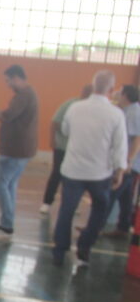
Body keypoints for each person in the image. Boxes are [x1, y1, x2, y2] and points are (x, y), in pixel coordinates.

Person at [52, 70, 127, 267]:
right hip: (99, 172)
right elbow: (120, 145)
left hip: (73, 169)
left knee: (66, 210)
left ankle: (59, 251)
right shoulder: (116, 113)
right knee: (99, 209)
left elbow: (65, 130)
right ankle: (84, 248)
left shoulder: (75, 108)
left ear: (93, 86)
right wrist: (119, 170)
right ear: (111, 90)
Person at [0, 64, 38, 241]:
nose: (7, 85)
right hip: (20, 149)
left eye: (8, 81)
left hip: (16, 150)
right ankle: (7, 223)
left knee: (0, 183)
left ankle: (7, 225)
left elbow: (6, 116)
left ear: (16, 78)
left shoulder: (24, 96)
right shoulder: (27, 94)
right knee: (10, 185)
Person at [41, 85, 91, 215]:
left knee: (76, 177)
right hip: (62, 147)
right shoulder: (70, 104)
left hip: (79, 149)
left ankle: (72, 204)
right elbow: (55, 122)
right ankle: (47, 202)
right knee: (57, 174)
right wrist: (52, 140)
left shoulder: (91, 108)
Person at [106, 84, 140, 238]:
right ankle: (123, 227)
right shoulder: (127, 111)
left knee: (111, 193)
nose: (117, 95)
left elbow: (137, 138)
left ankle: (96, 226)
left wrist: (128, 161)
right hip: (129, 163)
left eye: (120, 93)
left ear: (125, 95)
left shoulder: (134, 112)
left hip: (128, 164)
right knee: (125, 197)